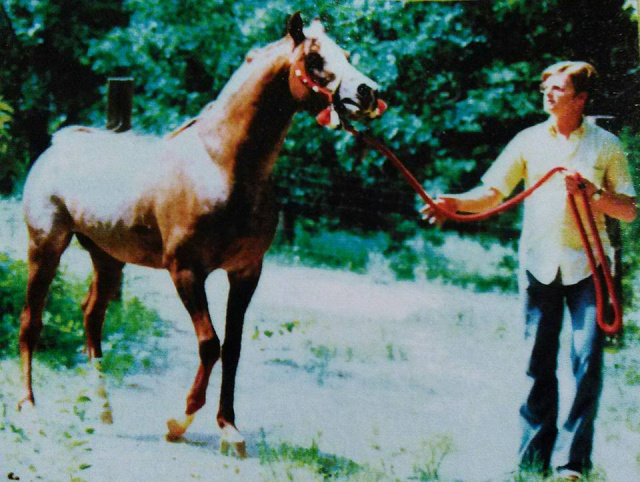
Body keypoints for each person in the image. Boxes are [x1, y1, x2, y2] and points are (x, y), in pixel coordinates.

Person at [421, 61, 637, 480]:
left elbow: (628, 211)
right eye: (546, 87)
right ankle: (532, 462)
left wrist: (593, 193)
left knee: (586, 361)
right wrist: (452, 202)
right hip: (539, 266)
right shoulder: (528, 141)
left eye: (559, 88)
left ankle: (571, 464)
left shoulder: (606, 145)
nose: (548, 94)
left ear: (580, 99)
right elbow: (491, 193)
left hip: (589, 268)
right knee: (538, 363)